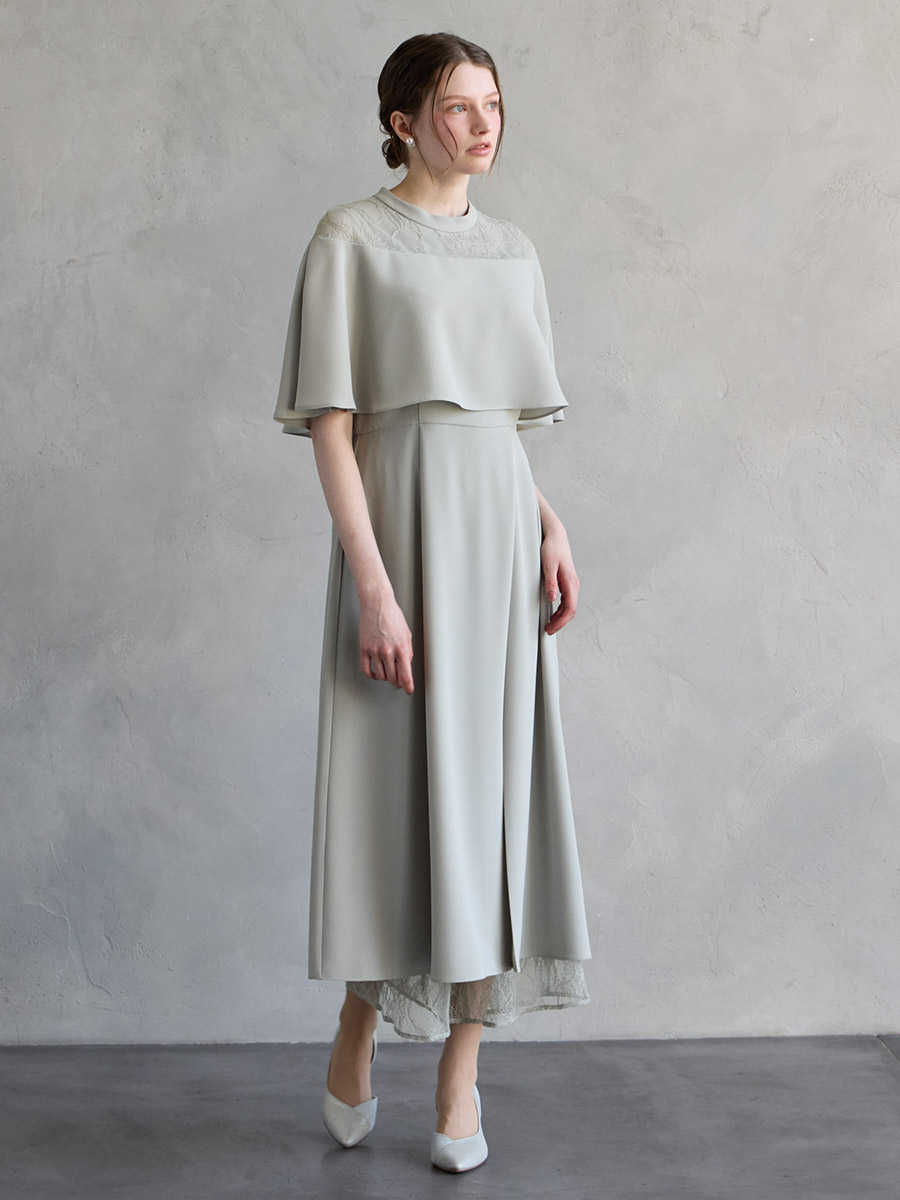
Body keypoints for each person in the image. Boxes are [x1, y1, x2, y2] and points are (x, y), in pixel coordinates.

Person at [272, 31, 593, 1173]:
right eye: (458, 106)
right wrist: (373, 586)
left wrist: (548, 525)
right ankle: (361, 1022)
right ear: (404, 120)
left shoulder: (513, 250)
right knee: (395, 802)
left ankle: (462, 1070)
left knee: (495, 806)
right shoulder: (349, 238)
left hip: (500, 537)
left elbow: (497, 423)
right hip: (399, 535)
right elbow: (335, 424)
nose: (483, 124)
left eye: (493, 103)